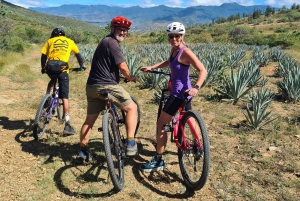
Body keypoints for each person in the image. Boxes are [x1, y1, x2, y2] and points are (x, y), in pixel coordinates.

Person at [140, 22, 207, 172]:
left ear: (182, 36)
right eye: (171, 36)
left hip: (178, 94)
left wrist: (196, 87)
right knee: (187, 117)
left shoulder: (185, 52)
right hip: (184, 94)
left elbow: (203, 70)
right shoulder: (174, 50)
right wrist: (152, 67)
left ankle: (158, 160)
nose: (174, 39)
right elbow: (169, 62)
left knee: (161, 125)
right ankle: (199, 146)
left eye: (177, 36)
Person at [76, 16, 138, 163]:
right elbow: (122, 66)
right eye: (120, 29)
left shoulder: (104, 41)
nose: (123, 33)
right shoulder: (112, 43)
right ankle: (130, 143)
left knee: (89, 121)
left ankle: (82, 151)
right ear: (112, 29)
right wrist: (130, 77)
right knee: (132, 108)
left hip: (92, 87)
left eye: (125, 30)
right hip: (107, 86)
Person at [41, 28, 86, 135]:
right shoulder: (69, 41)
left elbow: (43, 56)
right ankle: (67, 123)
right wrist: (82, 66)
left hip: (50, 67)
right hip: (62, 69)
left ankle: (47, 97)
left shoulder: (50, 41)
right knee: (64, 97)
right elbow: (78, 54)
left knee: (52, 80)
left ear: (53, 35)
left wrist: (43, 68)